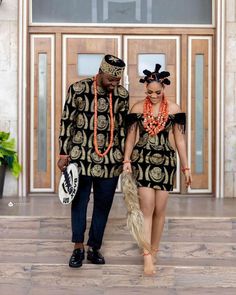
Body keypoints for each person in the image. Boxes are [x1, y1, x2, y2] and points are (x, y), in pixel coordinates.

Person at [58, 54, 129, 268]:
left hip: (110, 161)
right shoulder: (78, 89)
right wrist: (63, 153)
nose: (114, 84)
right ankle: (78, 247)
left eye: (117, 80)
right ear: (100, 73)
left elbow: (124, 129)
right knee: (79, 203)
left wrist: (126, 159)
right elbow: (67, 121)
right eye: (110, 80)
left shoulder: (122, 95)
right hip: (81, 158)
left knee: (103, 205)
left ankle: (94, 247)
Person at [123, 64, 192, 275]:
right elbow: (131, 138)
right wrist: (127, 160)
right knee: (147, 208)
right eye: (149, 92)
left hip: (166, 162)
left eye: (158, 92)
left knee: (160, 210)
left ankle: (154, 250)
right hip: (142, 160)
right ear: (145, 89)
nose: (153, 96)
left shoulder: (174, 109)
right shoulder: (136, 108)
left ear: (164, 89)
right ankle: (146, 257)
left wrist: (186, 166)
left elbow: (179, 139)